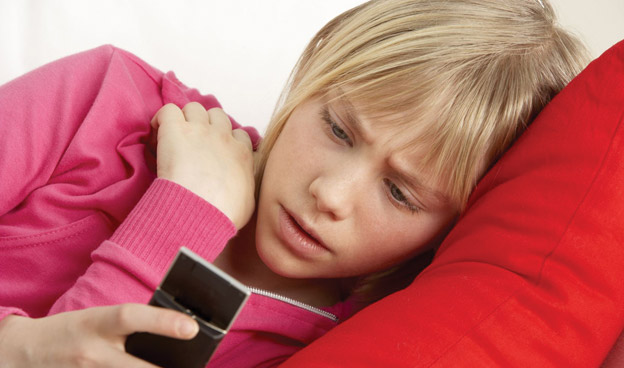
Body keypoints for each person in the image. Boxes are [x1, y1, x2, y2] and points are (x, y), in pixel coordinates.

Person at [0, 0, 589, 366]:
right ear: (316, 68)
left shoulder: (328, 352)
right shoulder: (106, 99)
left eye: (401, 193)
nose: (330, 195)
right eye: (337, 128)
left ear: (453, 229)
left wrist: (186, 212)